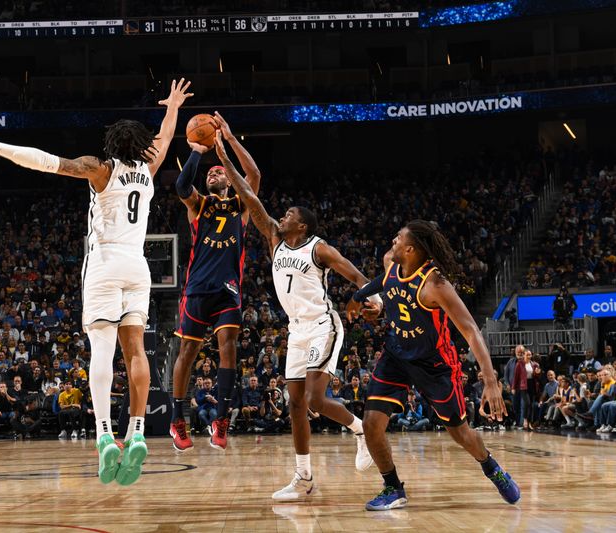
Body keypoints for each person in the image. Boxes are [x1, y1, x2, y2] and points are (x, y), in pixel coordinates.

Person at [0, 77, 192, 486]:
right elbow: (165, 139)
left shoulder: (100, 169)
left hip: (105, 263)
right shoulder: (149, 172)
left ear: (112, 146)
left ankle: (104, 437)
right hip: (139, 267)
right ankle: (136, 432)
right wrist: (172, 107)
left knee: (101, 345)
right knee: (135, 350)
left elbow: (47, 161)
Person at [213, 132, 375, 501]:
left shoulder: (319, 249)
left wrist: (373, 298)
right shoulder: (273, 238)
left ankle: (360, 429)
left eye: (288, 215)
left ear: (302, 225)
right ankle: (303, 478)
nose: (281, 216)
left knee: (317, 400)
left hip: (323, 325)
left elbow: (355, 275)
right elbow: (250, 197)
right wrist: (225, 155)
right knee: (295, 404)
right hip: (296, 331)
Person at [347, 220, 519, 511]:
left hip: (435, 364)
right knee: (371, 423)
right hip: (396, 355)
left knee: (459, 432)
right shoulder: (391, 261)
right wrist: (360, 297)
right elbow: (385, 281)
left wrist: (491, 382)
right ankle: (393, 487)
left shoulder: (435, 285)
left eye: (399, 238)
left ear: (411, 249)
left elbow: (470, 331)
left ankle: (491, 467)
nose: (393, 240)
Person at [169, 112, 261, 453]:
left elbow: (253, 175)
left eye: (217, 171)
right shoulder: (200, 205)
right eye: (209, 172)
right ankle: (178, 419)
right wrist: (196, 151)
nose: (213, 173)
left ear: (228, 178)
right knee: (188, 351)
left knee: (228, 347)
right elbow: (181, 187)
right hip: (197, 287)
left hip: (228, 289)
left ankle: (221, 419)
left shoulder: (242, 204)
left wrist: (229, 144)